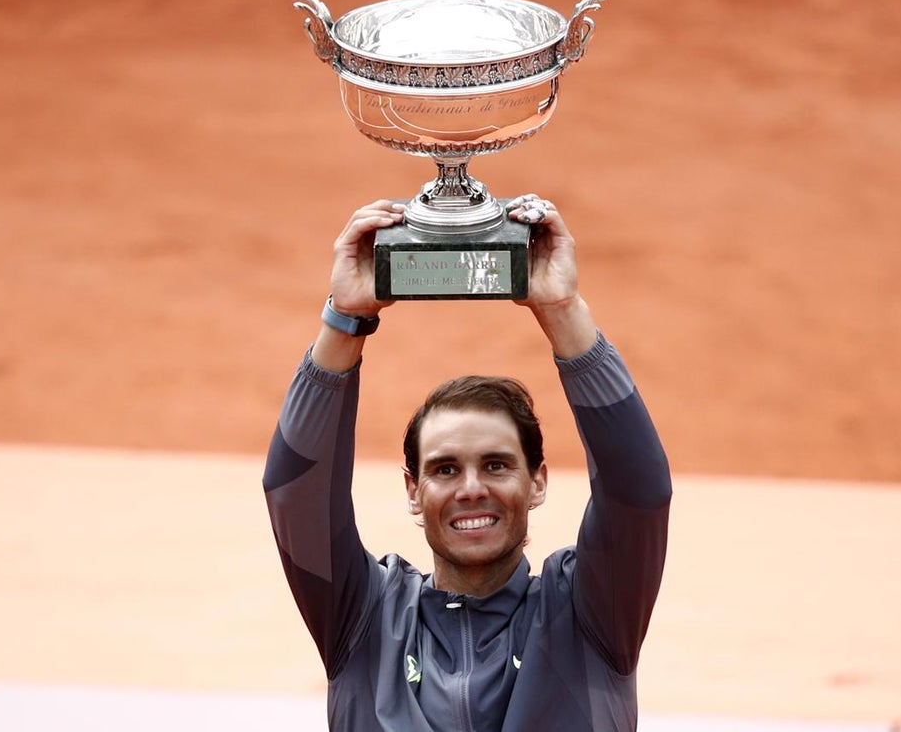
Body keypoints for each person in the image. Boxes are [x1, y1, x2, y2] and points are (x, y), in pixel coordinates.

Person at [263, 195, 672, 731]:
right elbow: (296, 491)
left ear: (538, 482)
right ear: (413, 490)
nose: (472, 488)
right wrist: (345, 321)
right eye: (445, 469)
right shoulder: (362, 619)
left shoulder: (588, 616)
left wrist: (563, 310)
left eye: (498, 465)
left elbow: (638, 491)